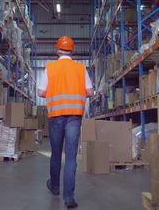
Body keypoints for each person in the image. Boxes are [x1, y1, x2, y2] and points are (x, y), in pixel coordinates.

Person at [38, 36, 94, 209]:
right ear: (73, 50)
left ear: (57, 50)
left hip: (56, 117)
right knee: (70, 157)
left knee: (56, 153)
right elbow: (90, 92)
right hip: (74, 118)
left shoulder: (50, 68)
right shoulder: (80, 68)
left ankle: (54, 187)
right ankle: (69, 197)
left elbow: (41, 92)